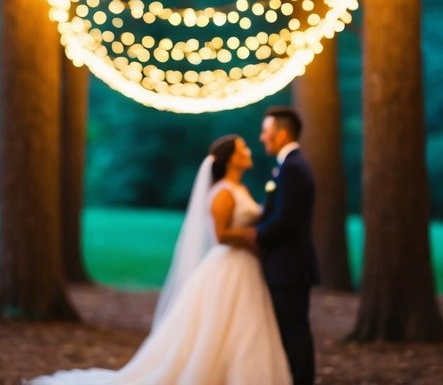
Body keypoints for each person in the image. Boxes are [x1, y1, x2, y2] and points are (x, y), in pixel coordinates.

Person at [26, 135, 291, 385]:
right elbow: (221, 235)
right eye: (242, 148)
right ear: (231, 158)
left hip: (246, 265)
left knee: (245, 326)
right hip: (229, 265)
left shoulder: (240, 188)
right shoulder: (222, 192)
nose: (248, 151)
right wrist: (251, 234)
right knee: (219, 323)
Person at [252, 106, 318, 385]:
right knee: (291, 328)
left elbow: (287, 218)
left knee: (293, 330)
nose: (261, 138)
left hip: (289, 266)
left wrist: (255, 236)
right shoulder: (291, 164)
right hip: (287, 264)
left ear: (280, 134)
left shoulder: (292, 167)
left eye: (265, 132)